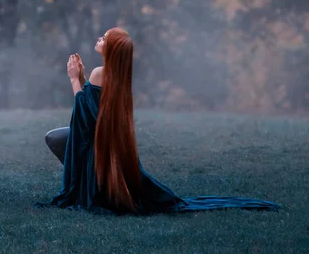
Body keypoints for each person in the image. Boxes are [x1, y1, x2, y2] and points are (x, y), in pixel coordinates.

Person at [35, 27, 282, 216]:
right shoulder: (118, 77)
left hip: (100, 149)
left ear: (111, 49)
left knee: (54, 137)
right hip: (112, 150)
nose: (99, 39)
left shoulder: (101, 73)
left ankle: (83, 188)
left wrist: (74, 79)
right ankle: (88, 183)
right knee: (62, 138)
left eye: (104, 38)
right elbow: (94, 113)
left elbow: (85, 119)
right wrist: (84, 80)